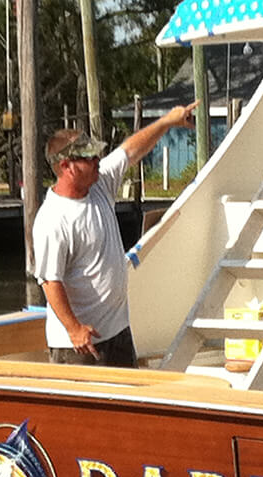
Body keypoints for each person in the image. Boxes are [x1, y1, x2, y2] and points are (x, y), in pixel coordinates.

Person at [33, 102, 198, 367]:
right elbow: (50, 281)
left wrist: (167, 121)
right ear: (66, 166)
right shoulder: (52, 219)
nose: (97, 160)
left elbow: (131, 149)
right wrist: (75, 329)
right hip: (80, 347)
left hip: (118, 332)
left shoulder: (99, 184)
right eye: (88, 158)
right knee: (83, 410)